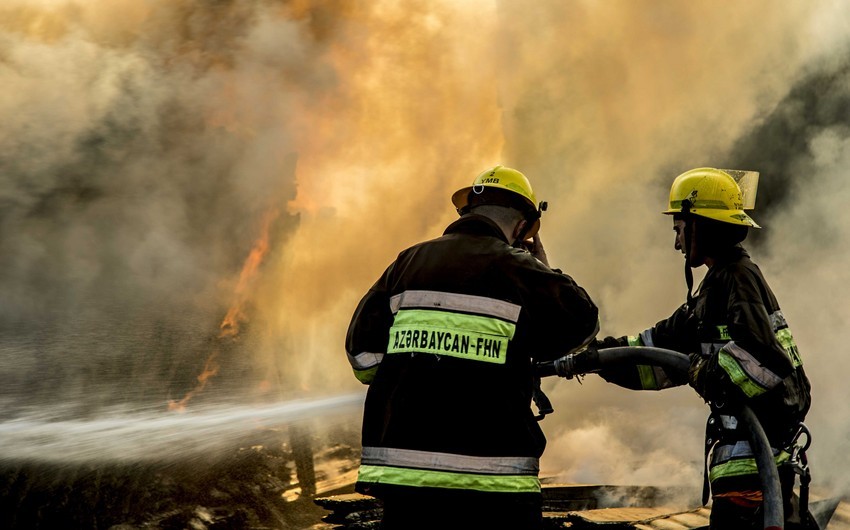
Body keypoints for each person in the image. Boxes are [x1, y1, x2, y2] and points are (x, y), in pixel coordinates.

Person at [344, 165, 600, 530]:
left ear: (466, 212)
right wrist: (545, 267)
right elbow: (583, 322)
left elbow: (363, 360)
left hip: (405, 478)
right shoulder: (519, 269)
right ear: (523, 227)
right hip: (494, 480)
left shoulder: (407, 262)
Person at [578, 167, 812, 529]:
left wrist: (708, 372)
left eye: (678, 229)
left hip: (753, 469)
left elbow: (765, 359)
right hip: (742, 464)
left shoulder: (738, 278)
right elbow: (653, 353)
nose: (676, 242)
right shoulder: (714, 289)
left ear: (700, 225)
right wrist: (593, 358)